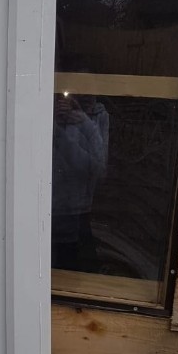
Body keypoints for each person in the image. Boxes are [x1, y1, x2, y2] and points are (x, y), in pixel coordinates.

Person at [52, 90, 109, 272]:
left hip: (78, 213)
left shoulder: (94, 118)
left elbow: (98, 170)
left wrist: (82, 123)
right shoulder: (45, 114)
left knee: (77, 274)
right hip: (45, 211)